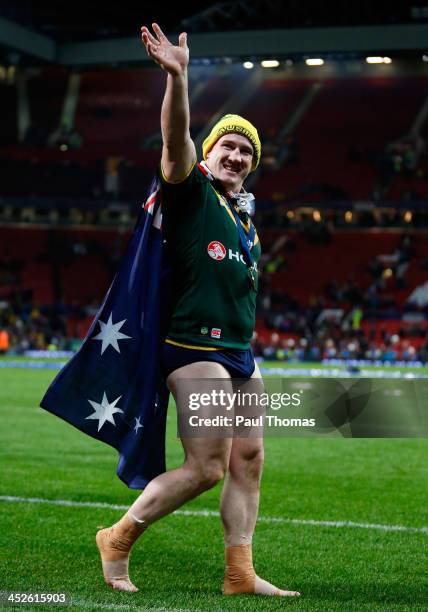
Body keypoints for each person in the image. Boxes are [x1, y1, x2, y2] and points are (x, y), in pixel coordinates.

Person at [95, 22, 300, 598]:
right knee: (207, 466)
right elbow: (174, 140)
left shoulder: (246, 219)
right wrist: (178, 77)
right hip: (194, 345)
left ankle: (240, 573)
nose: (235, 154)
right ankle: (118, 537)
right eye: (226, 146)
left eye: (245, 151)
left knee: (249, 459)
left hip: (240, 350)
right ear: (208, 154)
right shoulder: (191, 191)